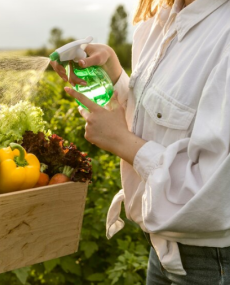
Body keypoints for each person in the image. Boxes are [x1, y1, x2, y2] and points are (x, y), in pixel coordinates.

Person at [51, 0, 230, 283]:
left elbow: (217, 192)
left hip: (212, 263)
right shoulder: (156, 24)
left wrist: (122, 142)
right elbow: (160, 121)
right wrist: (114, 76)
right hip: (162, 252)